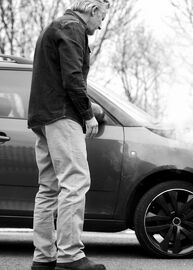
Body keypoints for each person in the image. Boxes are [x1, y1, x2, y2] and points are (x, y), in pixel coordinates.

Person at [27, 1, 110, 270]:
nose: (101, 25)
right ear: (94, 9)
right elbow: (72, 78)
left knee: (48, 189)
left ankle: (43, 257)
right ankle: (70, 255)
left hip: (43, 117)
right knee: (75, 182)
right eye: (102, 17)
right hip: (63, 116)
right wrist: (87, 114)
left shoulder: (55, 26)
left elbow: (58, 77)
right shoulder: (73, 27)